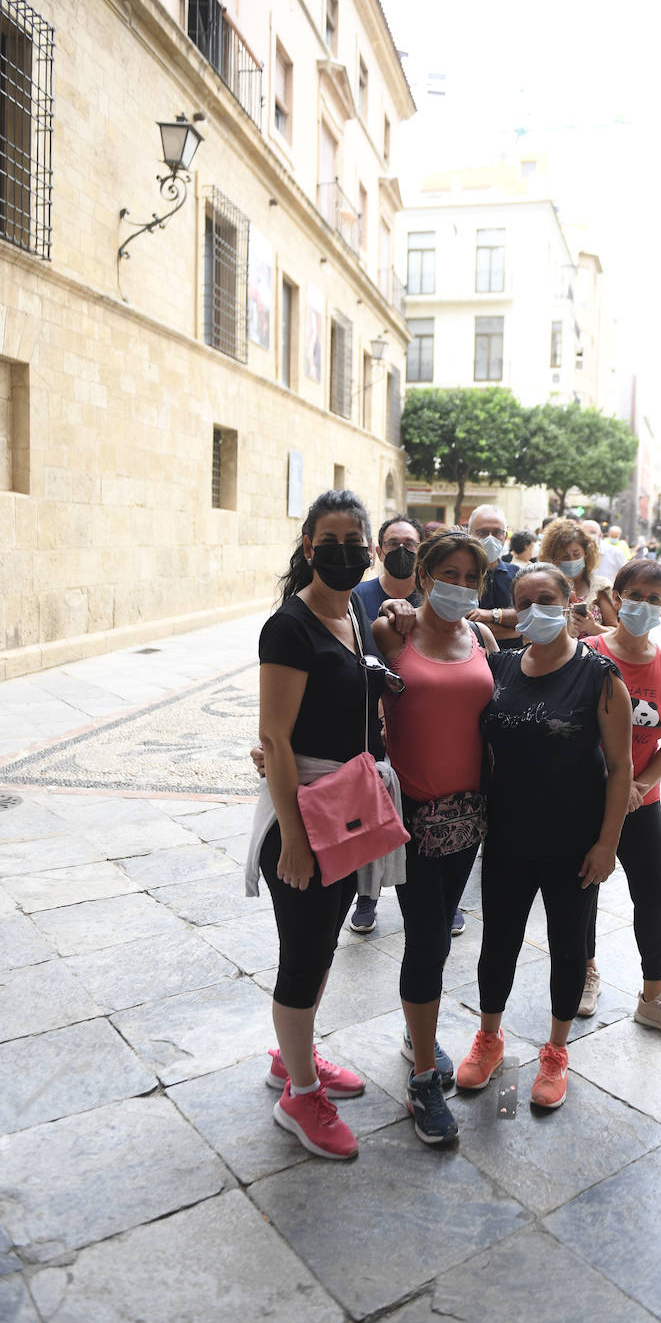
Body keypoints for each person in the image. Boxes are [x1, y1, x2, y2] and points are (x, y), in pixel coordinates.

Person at [245, 490, 405, 1160]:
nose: (345, 551)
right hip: (305, 816)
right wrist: (296, 844)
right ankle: (299, 1096)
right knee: (304, 953)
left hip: (346, 807)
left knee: (323, 943)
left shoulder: (355, 613)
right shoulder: (291, 626)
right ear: (308, 546)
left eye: (355, 539)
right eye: (329, 540)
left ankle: (294, 1057)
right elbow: (275, 741)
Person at [456, 563, 632, 1110]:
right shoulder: (500, 666)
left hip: (574, 841)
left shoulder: (600, 678)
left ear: (570, 599)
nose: (535, 611)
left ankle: (556, 1050)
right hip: (508, 834)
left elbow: (622, 768)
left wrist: (607, 844)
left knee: (567, 946)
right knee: (498, 941)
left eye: (546, 599)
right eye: (524, 602)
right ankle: (489, 1035)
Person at [372, 530, 498, 1143]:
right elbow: (355, 701)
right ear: (421, 576)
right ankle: (423, 1077)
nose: (460, 586)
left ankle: (413, 1030)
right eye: (448, 573)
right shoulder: (392, 632)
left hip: (469, 818)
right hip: (413, 818)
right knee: (425, 941)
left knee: (444, 935)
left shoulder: (481, 637)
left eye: (471, 577)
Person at [578, 560, 661, 1039]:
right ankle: (585, 972)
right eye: (636, 594)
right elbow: (574, 731)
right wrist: (613, 783)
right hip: (588, 799)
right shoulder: (586, 653)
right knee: (583, 890)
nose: (643, 605)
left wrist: (637, 786)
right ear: (617, 597)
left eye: (654, 598)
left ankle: (653, 996)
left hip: (642, 804)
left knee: (655, 894)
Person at [348, 515, 424, 935]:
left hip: (422, 724)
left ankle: (440, 901)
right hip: (368, 726)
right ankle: (367, 895)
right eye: (393, 543)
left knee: (421, 812)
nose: (402, 551)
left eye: (410, 544)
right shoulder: (357, 596)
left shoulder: (435, 598)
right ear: (378, 551)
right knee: (371, 809)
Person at [538, 517, 617, 634]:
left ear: (586, 553)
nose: (571, 560)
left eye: (576, 554)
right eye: (564, 556)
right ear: (554, 557)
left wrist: (593, 627)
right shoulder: (543, 588)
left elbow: (615, 631)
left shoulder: (600, 588)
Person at [465, 505, 520, 648]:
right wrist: (513, 629)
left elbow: (529, 618)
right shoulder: (459, 576)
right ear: (469, 534)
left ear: (505, 536)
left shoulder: (518, 574)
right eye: (482, 532)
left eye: (497, 532)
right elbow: (463, 626)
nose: (490, 538)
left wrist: (490, 615)